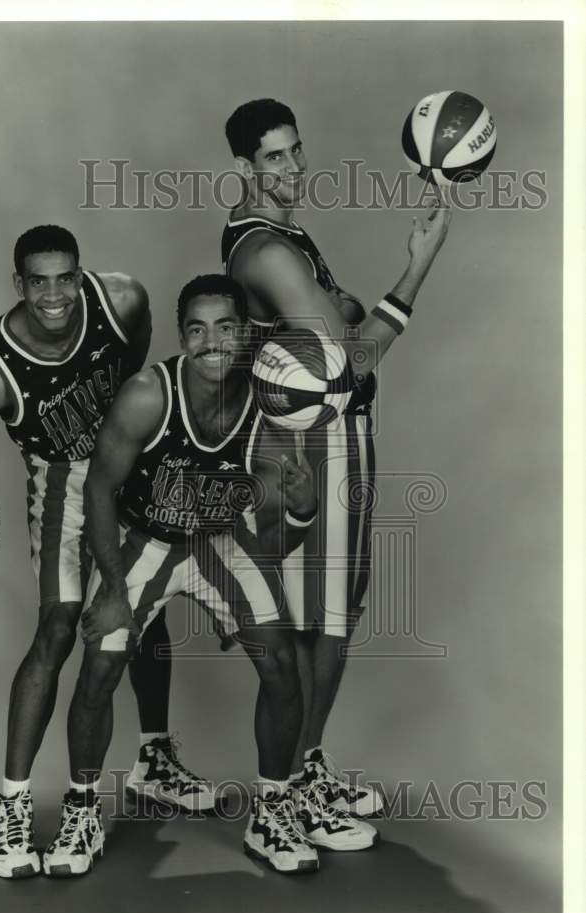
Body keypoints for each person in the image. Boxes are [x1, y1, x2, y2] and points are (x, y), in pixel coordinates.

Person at [0, 225, 215, 879]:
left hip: (131, 465)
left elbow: (137, 370)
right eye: (38, 280)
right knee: (58, 628)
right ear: (18, 283)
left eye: (65, 278)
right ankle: (12, 806)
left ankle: (153, 759)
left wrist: (134, 439)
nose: (54, 294)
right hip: (63, 486)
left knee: (144, 610)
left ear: (80, 274)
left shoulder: (121, 301)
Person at [221, 99, 451, 842]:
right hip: (308, 450)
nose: (291, 168)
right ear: (243, 169)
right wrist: (416, 268)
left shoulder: (285, 232)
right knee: (312, 623)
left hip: (339, 440)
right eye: (273, 159)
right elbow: (348, 363)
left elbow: (336, 325)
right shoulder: (264, 252)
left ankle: (305, 766)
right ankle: (280, 796)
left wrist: (346, 313)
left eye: (294, 151)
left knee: (335, 617)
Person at [55, 274, 326, 876]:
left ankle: (272, 812)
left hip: (221, 541)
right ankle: (80, 810)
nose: (210, 343)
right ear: (183, 336)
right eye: (197, 330)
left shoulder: (270, 403)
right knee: (101, 657)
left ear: (245, 333)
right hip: (146, 540)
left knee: (282, 661)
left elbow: (286, 541)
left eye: (225, 327)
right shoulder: (149, 394)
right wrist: (114, 591)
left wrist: (304, 506)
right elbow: (99, 487)